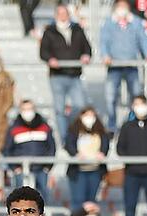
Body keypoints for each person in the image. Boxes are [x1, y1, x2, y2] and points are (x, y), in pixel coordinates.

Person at [39, 4, 92, 142]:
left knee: (80, 106)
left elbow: (87, 47)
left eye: (65, 13)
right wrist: (50, 59)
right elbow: (43, 51)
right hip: (57, 75)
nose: (63, 16)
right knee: (59, 109)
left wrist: (86, 55)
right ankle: (64, 138)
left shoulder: (77, 29)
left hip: (75, 75)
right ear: (56, 15)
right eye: (60, 13)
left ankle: (73, 133)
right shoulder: (49, 31)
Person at [100, 0, 147, 132]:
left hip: (132, 65)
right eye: (120, 7)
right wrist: (105, 55)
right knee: (111, 96)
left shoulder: (135, 22)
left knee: (136, 96)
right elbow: (103, 41)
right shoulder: (109, 22)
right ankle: (112, 126)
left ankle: (133, 123)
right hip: (114, 66)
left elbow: (143, 39)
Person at [3, 100, 56, 200]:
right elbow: (7, 149)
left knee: (42, 200)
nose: (28, 112)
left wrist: (47, 167)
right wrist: (14, 168)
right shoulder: (14, 128)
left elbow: (51, 147)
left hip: (41, 170)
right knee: (21, 200)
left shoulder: (44, 126)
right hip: (21, 170)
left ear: (35, 110)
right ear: (20, 111)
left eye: (30, 109)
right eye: (24, 109)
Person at [64, 107, 109, 210]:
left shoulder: (101, 132)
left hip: (95, 171)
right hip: (78, 172)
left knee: (91, 202)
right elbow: (69, 145)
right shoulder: (73, 131)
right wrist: (76, 154)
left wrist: (102, 153)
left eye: (92, 116)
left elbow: (105, 146)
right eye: (87, 116)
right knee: (78, 202)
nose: (89, 118)